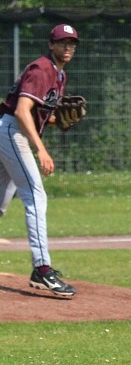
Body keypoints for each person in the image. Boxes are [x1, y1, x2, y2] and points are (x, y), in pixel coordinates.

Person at [0, 23, 82, 298]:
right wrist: (41, 149)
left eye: (72, 43)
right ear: (51, 45)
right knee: (35, 196)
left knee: (1, 202)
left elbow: (39, 112)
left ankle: (41, 268)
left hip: (9, 131)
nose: (68, 47)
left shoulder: (59, 74)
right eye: (62, 42)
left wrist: (58, 120)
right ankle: (42, 269)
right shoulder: (42, 69)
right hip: (14, 132)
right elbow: (23, 111)